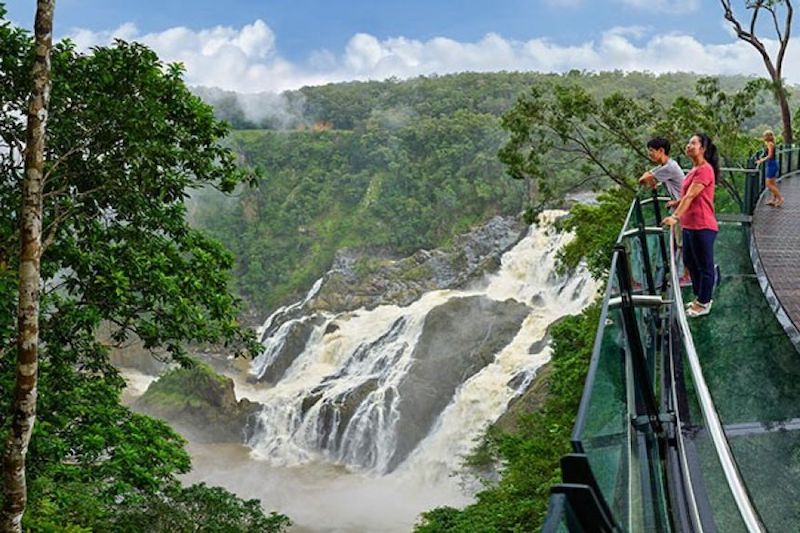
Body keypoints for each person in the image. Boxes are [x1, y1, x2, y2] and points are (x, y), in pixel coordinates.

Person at [662, 133, 719, 317]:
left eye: (693, 143)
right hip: (690, 224)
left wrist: (675, 217)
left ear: (703, 149)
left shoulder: (705, 170)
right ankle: (698, 297)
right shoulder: (694, 170)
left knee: (704, 266)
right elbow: (686, 196)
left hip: (703, 224)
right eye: (688, 143)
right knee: (689, 262)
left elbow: (691, 196)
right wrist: (676, 203)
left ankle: (704, 302)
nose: (688, 145)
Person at [639, 137, 690, 286]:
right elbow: (647, 176)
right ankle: (682, 272)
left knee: (683, 244)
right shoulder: (667, 165)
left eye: (651, 151)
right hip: (679, 206)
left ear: (661, 151)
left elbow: (643, 179)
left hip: (683, 209)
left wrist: (650, 179)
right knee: (679, 242)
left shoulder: (669, 168)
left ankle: (688, 276)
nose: (650, 155)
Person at [756, 129, 784, 207]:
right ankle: (773, 200)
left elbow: (770, 155)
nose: (763, 137)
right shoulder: (769, 143)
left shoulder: (770, 144)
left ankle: (780, 198)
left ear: (767, 137)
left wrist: (761, 160)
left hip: (772, 165)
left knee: (768, 184)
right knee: (773, 183)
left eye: (764, 136)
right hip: (772, 164)